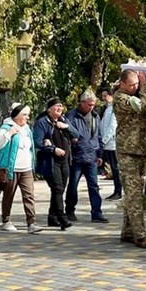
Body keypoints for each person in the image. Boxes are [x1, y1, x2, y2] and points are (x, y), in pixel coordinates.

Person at [113, 69, 146, 247]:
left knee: (136, 193)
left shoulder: (130, 93)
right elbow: (144, 105)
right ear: (122, 84)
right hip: (127, 151)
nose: (135, 87)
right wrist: (145, 85)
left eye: (137, 84)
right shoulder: (121, 98)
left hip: (139, 150)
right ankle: (140, 235)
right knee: (134, 194)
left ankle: (128, 231)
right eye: (132, 85)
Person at [0, 104, 41, 234]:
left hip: (26, 168)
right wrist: (9, 134)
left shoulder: (27, 129)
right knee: (9, 195)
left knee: (29, 195)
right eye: (25, 114)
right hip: (11, 169)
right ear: (17, 116)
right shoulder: (6, 127)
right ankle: (6, 220)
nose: (27, 117)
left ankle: (32, 223)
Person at [65, 91, 107, 223]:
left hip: (92, 156)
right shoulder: (71, 116)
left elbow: (98, 135)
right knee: (73, 185)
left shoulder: (95, 116)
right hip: (77, 156)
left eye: (93, 105)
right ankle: (70, 211)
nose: (91, 107)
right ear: (82, 102)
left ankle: (96, 212)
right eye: (89, 105)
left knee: (93, 186)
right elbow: (68, 133)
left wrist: (100, 154)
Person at [34, 98, 73, 229]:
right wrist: (53, 149)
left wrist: (66, 126)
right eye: (57, 106)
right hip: (51, 161)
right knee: (57, 188)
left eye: (61, 106)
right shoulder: (42, 122)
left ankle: (52, 217)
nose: (60, 109)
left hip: (65, 161)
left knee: (59, 190)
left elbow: (77, 134)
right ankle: (62, 218)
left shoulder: (63, 120)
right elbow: (37, 142)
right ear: (49, 109)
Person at [99, 90, 122, 200]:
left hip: (112, 142)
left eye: (106, 95)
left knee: (116, 168)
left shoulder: (114, 108)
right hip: (107, 143)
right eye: (103, 96)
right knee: (113, 168)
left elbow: (113, 126)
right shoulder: (106, 108)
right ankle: (116, 190)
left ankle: (118, 190)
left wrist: (104, 140)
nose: (104, 98)